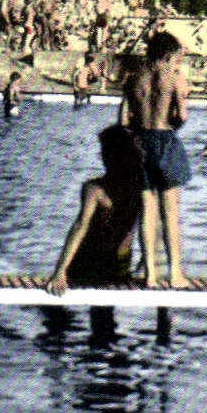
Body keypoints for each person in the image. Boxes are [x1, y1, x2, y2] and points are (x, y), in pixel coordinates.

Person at [121, 30, 192, 288]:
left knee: (147, 211)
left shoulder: (134, 79)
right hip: (164, 139)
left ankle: (150, 273)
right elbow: (181, 117)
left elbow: (127, 120)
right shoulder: (175, 78)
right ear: (167, 55)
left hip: (140, 142)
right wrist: (172, 122)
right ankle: (175, 275)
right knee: (170, 213)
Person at [46, 124, 144, 297]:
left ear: (109, 156)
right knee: (103, 317)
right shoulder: (141, 189)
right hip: (121, 266)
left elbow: (79, 227)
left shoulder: (94, 189)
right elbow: (150, 230)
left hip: (90, 264)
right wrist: (144, 268)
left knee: (54, 313)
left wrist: (59, 270)